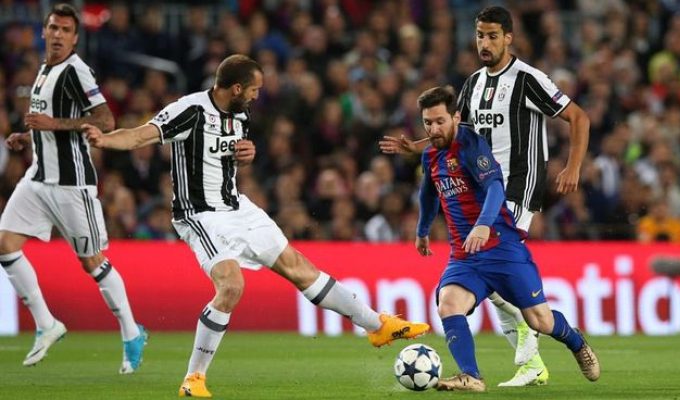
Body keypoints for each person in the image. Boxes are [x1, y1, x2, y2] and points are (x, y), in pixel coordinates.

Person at [82, 54, 430, 398]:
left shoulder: (240, 115)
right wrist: (105, 140)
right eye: (254, 90)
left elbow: (229, 157)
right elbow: (140, 136)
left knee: (299, 267)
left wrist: (245, 155)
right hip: (200, 214)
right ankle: (193, 379)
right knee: (232, 285)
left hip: (238, 206)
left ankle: (377, 326)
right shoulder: (190, 110)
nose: (256, 96)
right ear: (236, 88)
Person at [379, 6, 590, 387]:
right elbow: (452, 127)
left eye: (493, 36)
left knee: (490, 259)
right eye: (480, 35)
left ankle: (528, 340)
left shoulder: (528, 79)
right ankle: (522, 344)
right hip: (478, 187)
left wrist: (573, 166)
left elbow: (579, 117)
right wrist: (419, 146)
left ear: (508, 37)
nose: (485, 43)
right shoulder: (473, 83)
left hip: (515, 189)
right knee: (483, 273)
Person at [413, 85, 599, 392]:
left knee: (540, 321)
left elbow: (495, 187)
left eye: (440, 121)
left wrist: (483, 225)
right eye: (427, 123)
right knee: (448, 304)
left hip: (501, 248)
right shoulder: (430, 155)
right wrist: (422, 231)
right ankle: (471, 376)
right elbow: (428, 194)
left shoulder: (471, 145)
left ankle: (577, 342)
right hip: (465, 255)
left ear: (456, 117)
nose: (433, 129)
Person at [0, 3, 147, 373]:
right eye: (53, 28)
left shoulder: (76, 71)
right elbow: (49, 122)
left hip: (71, 185)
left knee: (92, 262)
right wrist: (28, 135)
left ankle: (132, 332)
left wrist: (52, 124)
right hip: (38, 178)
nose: (58, 35)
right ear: (44, 31)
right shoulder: (45, 69)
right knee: (4, 244)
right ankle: (46, 324)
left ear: (75, 38)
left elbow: (105, 119)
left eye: (66, 30)